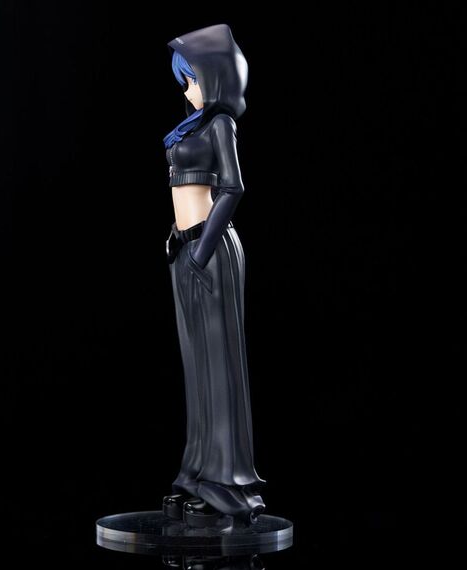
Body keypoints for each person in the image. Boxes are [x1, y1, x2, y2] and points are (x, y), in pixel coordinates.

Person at [162, 24, 266, 527]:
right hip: (187, 249)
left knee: (218, 367)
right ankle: (197, 472)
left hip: (211, 250)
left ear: (216, 77)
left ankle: (226, 483)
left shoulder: (220, 123)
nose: (187, 90)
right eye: (183, 81)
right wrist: (178, 241)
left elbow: (233, 187)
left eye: (194, 80)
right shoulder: (193, 126)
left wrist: (201, 251)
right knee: (196, 364)